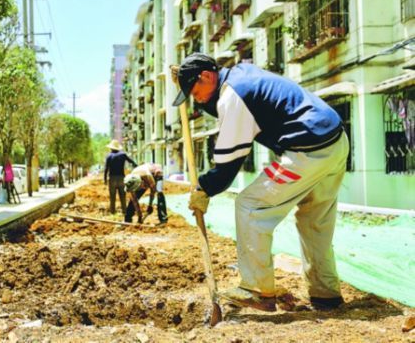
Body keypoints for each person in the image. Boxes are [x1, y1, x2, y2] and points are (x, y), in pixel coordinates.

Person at [173, 52, 349, 312]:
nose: (194, 98)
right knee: (315, 218)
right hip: (335, 141)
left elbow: (229, 162)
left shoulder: (233, 95)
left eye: (193, 89)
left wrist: (204, 187)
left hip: (307, 149)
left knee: (250, 205)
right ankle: (325, 294)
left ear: (208, 76)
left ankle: (257, 289)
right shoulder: (241, 75)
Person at [104, 139, 137, 214]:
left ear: (111, 148)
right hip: (121, 178)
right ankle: (124, 211)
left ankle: (112, 211)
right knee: (123, 196)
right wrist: (137, 167)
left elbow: (106, 168)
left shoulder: (109, 156)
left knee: (112, 196)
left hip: (112, 178)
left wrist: (105, 179)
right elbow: (131, 162)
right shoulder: (123, 155)